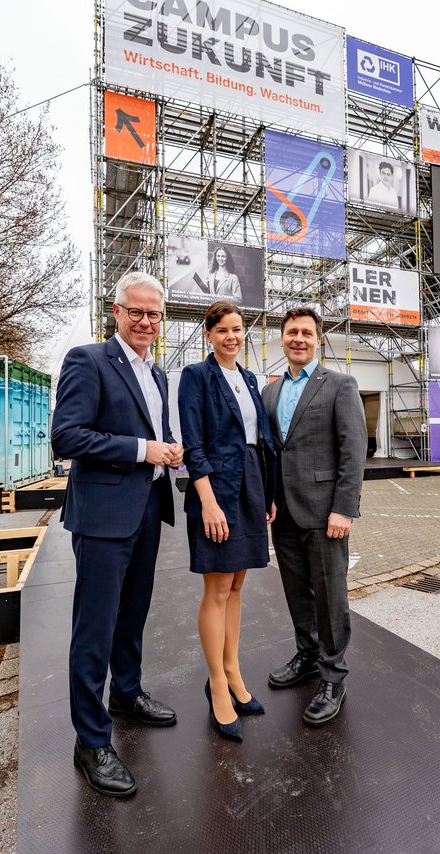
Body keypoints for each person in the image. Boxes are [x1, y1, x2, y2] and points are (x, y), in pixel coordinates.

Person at [51, 271, 183, 798]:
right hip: (104, 515)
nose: (146, 321)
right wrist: (143, 450)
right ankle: (91, 741)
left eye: (154, 314)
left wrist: (170, 449)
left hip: (148, 508)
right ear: (116, 310)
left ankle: (126, 693)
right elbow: (67, 436)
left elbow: (158, 436)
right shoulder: (88, 360)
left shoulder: (158, 374)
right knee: (95, 627)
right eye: (137, 312)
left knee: (133, 614)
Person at [261, 307, 367, 727]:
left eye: (306, 333)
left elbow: (353, 450)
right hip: (283, 512)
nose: (299, 339)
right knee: (296, 591)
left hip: (326, 514)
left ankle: (333, 677)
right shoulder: (270, 392)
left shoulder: (340, 385)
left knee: (330, 596)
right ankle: (306, 655)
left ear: (318, 340)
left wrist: (344, 508)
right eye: (292, 333)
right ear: (282, 339)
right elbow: (272, 452)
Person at [177, 301, 278, 742]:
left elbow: (259, 441)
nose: (232, 337)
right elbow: (193, 445)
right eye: (223, 330)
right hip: (217, 489)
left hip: (250, 485)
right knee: (217, 588)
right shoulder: (196, 377)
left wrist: (267, 495)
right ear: (209, 334)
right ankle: (217, 683)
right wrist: (209, 502)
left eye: (238, 330)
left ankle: (234, 672)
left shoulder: (250, 378)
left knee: (238, 583)